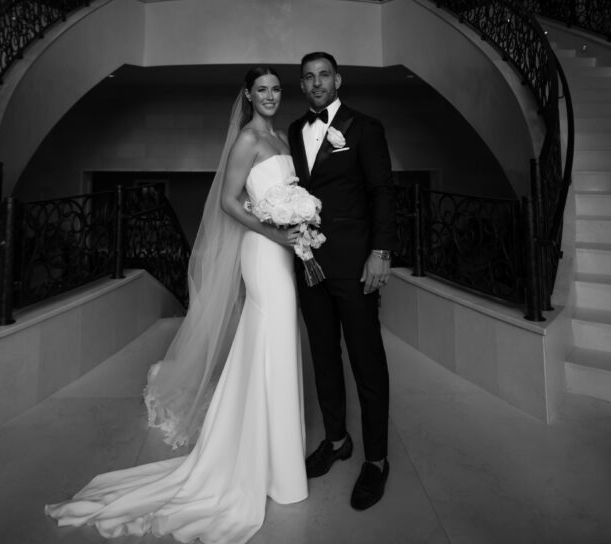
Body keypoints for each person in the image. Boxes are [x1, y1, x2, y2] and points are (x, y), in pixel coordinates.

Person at [46, 66, 307, 542]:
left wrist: (300, 226)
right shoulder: (248, 139)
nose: (269, 96)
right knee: (271, 337)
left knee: (273, 344)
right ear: (248, 95)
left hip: (284, 252)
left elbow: (282, 195)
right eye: (261, 90)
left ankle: (275, 460)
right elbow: (230, 202)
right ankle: (266, 464)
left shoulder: (284, 138)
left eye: (275, 89)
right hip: (264, 251)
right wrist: (275, 231)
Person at [288, 51, 396, 511]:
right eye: (309, 77)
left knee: (366, 359)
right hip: (309, 263)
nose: (317, 83)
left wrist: (380, 253)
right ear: (302, 85)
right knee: (324, 356)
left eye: (324, 75)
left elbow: (381, 192)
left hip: (355, 264)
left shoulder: (365, 128)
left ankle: (377, 460)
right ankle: (336, 440)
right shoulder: (294, 131)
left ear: (339, 79)